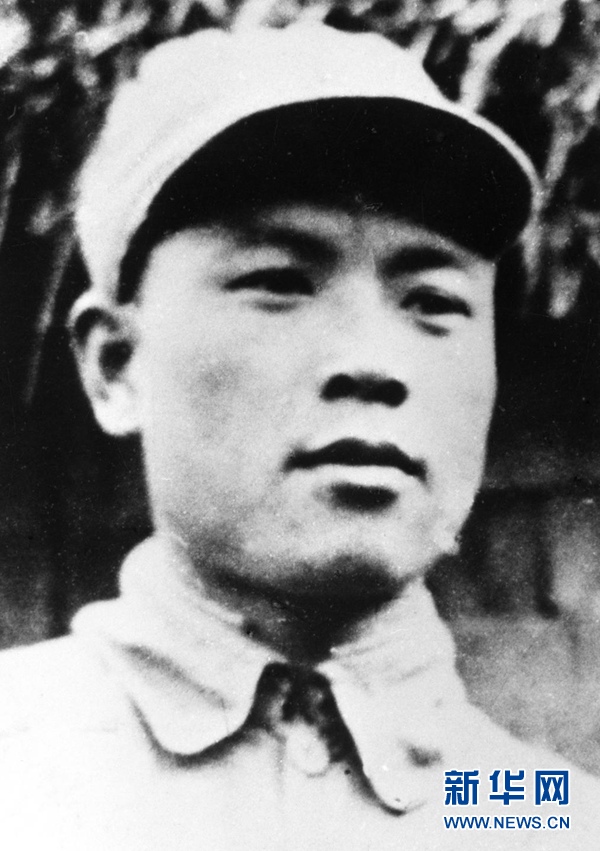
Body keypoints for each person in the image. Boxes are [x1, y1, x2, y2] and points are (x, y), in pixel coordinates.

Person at [0, 21, 598, 850]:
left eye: (434, 302)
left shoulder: (545, 816)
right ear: (114, 362)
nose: (372, 362)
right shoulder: (19, 766)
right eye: (279, 282)